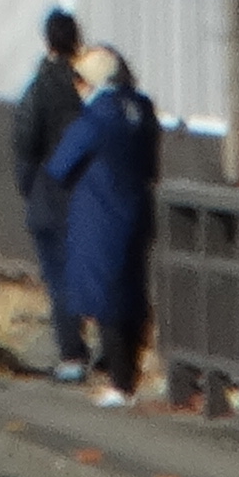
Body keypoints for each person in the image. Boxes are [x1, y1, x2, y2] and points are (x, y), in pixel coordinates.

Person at [37, 39, 158, 406]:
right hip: (137, 210)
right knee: (132, 293)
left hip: (99, 216)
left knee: (105, 297)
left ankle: (119, 383)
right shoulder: (140, 109)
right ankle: (129, 377)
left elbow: (60, 166)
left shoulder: (95, 118)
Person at [7, 7, 85, 368]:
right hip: (85, 195)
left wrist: (30, 189)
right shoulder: (85, 87)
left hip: (48, 197)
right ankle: (112, 357)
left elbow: (24, 144)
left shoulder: (39, 88)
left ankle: (71, 353)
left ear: (47, 41)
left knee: (58, 277)